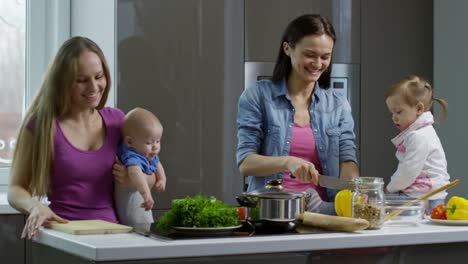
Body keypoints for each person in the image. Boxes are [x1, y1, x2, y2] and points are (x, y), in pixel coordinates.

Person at [7, 36, 155, 239]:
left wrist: (136, 180)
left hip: (116, 237)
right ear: (63, 83)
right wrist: (35, 206)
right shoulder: (42, 125)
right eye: (81, 80)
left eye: (98, 76)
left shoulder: (118, 121)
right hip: (63, 236)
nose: (94, 87)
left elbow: (152, 174)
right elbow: (16, 189)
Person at [236, 14, 359, 215]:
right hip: (271, 212)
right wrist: (288, 161)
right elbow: (246, 163)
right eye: (310, 54)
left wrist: (354, 189)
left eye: (325, 56)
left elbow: (347, 159)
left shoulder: (338, 103)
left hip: (324, 213)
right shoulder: (257, 96)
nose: (318, 63)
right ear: (288, 49)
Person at [385, 75, 450, 213]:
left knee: (382, 209)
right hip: (427, 197)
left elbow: (408, 172)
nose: (394, 117)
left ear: (419, 109)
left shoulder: (418, 137)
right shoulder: (422, 132)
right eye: (392, 113)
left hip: (423, 199)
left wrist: (389, 188)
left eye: (398, 112)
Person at [114, 107, 167, 228]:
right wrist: (146, 194)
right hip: (130, 215)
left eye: (158, 141)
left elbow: (158, 164)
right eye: (149, 142)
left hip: (142, 212)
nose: (155, 147)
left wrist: (162, 179)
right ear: (129, 142)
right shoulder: (131, 156)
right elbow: (134, 173)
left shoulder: (147, 153)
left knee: (146, 227)